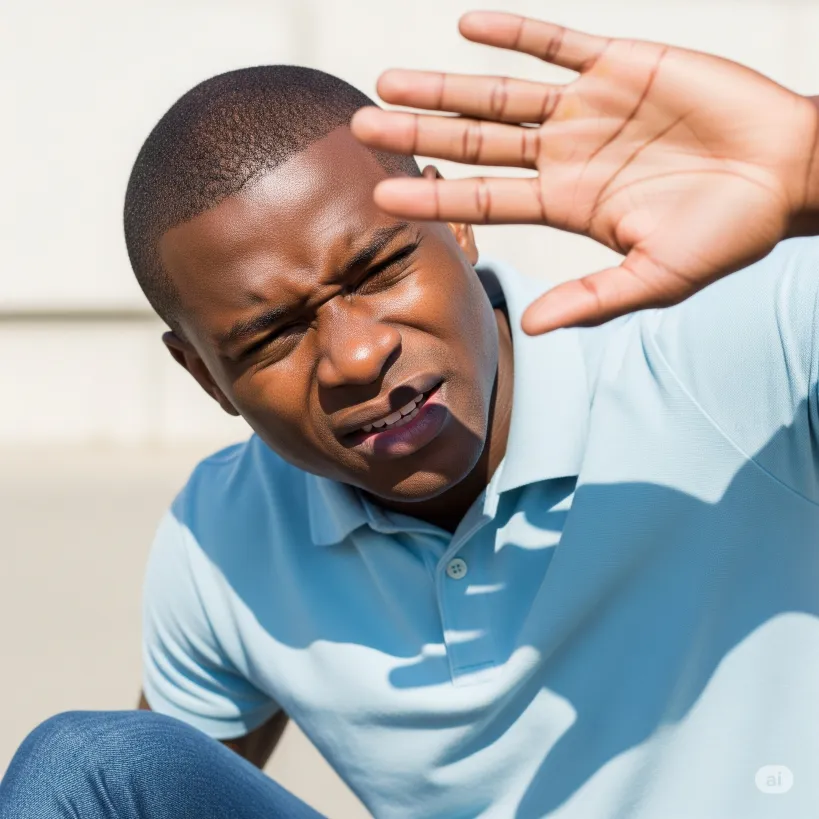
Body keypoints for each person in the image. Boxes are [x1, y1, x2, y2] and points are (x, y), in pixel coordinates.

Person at [2, 10, 819, 819]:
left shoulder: (731, 353)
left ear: (454, 221)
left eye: (380, 269)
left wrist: (809, 163)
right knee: (88, 766)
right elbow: (157, 793)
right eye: (274, 334)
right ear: (203, 376)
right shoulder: (224, 534)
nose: (356, 356)